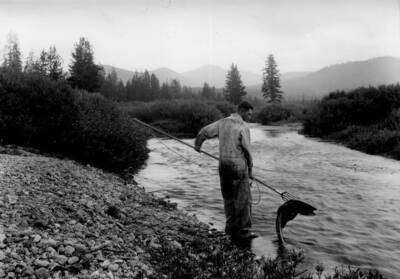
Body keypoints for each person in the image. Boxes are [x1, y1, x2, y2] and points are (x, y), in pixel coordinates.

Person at [194, 101, 257, 239]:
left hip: (223, 167)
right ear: (241, 111)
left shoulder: (222, 122)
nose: (250, 117)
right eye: (249, 114)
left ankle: (230, 228)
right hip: (238, 168)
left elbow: (204, 132)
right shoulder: (243, 126)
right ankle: (244, 231)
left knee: (228, 198)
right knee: (243, 200)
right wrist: (251, 170)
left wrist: (198, 144)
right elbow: (247, 151)